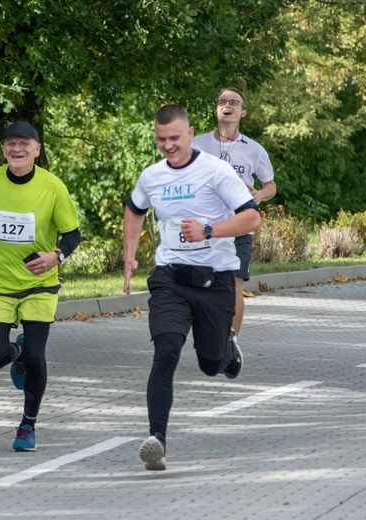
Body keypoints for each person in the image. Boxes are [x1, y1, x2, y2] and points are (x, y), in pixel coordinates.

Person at [123, 104, 262, 470]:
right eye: (161, 140)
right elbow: (134, 209)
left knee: (210, 363)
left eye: (174, 138)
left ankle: (227, 348)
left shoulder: (215, 172)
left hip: (214, 279)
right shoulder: (151, 176)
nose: (168, 146)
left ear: (190, 133)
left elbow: (252, 217)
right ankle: (157, 440)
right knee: (165, 350)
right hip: (170, 277)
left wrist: (209, 231)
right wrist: (129, 257)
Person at [0, 121, 81, 452]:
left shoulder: (53, 187)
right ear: (3, 150)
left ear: (37, 150)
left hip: (38, 284)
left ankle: (28, 424)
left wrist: (56, 256)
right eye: (11, 144)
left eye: (24, 143)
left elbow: (72, 234)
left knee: (37, 355)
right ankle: (16, 356)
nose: (17, 149)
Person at [193, 87, 276, 347]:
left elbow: (271, 185)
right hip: (204, 227)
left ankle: (229, 342)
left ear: (243, 111)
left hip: (239, 226)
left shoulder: (254, 150)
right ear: (216, 109)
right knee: (200, 287)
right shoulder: (197, 144)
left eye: (234, 102)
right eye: (222, 102)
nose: (227, 105)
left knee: (234, 285)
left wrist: (261, 194)